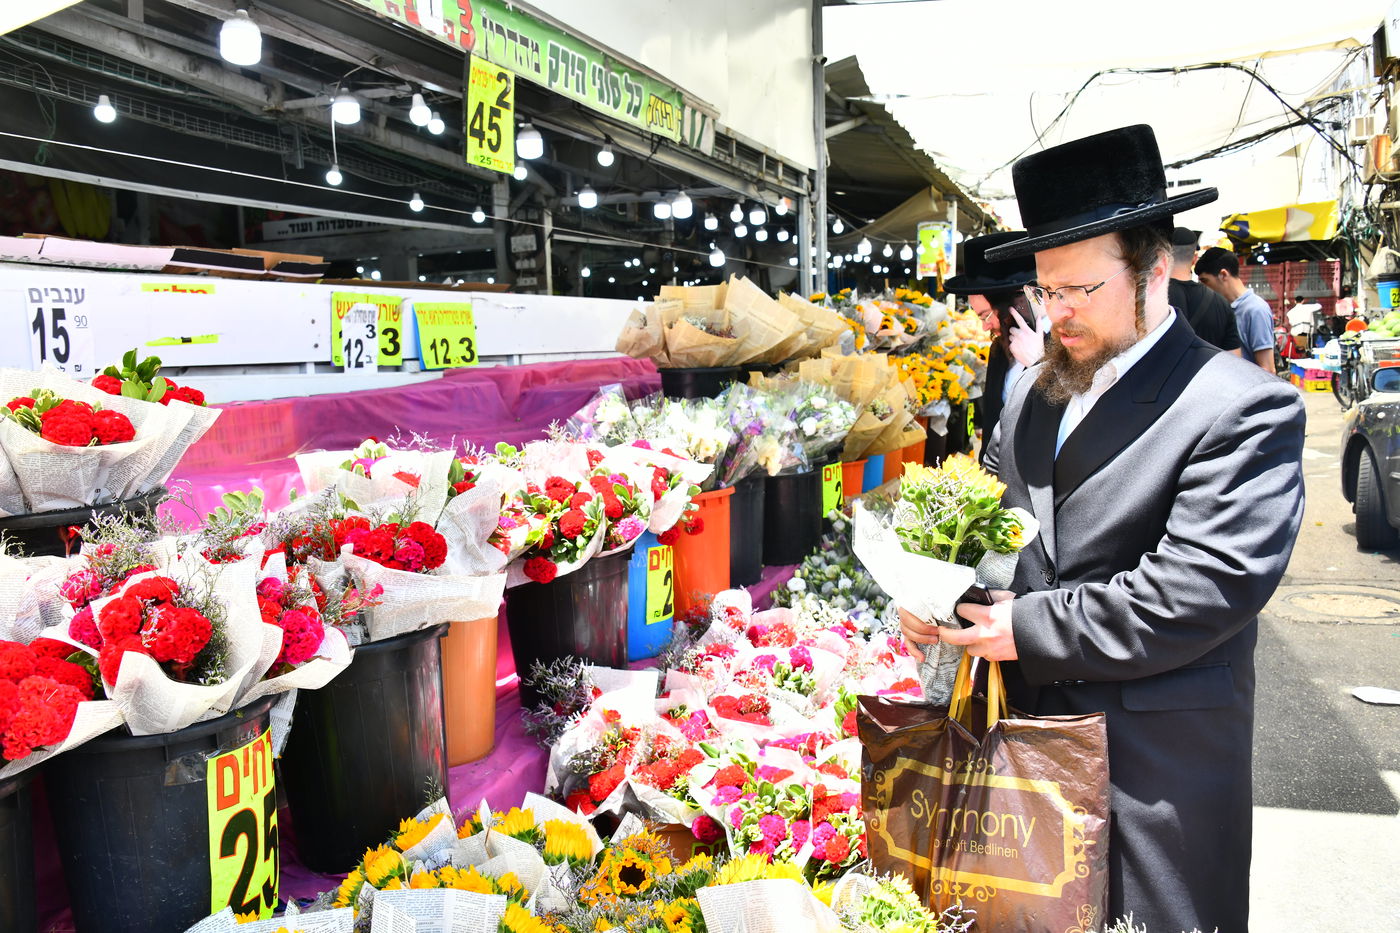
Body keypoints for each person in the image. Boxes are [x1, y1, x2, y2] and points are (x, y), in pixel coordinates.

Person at [900, 124, 1305, 933]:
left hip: (1153, 770)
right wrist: (946, 599)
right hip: (1025, 753)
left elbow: (1199, 589)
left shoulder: (1239, 406)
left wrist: (1025, 626)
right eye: (1048, 292)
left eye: (1081, 291)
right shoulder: (1034, 395)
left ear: (1154, 272)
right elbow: (1007, 538)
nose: (1059, 316)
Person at [944, 231, 1041, 464]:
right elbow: (991, 423)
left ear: (1017, 302)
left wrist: (1039, 365)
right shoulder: (998, 349)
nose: (985, 325)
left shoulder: (1065, 342)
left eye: (986, 315)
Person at [1194, 246, 1276, 371]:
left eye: (1205, 281)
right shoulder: (1221, 308)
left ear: (1223, 275)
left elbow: (1268, 369)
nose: (1203, 288)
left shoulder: (1255, 310)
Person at [1166, 227, 1241, 355]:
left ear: (1163, 257)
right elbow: (1234, 359)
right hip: (1210, 374)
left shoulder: (1150, 300)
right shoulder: (1221, 303)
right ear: (1194, 259)